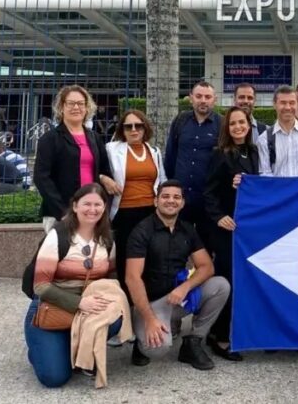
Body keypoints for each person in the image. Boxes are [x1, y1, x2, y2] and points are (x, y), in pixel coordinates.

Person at [24, 183, 128, 388]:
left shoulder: (107, 239)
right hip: (51, 307)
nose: (92, 209)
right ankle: (40, 350)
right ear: (75, 206)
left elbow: (111, 275)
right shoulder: (58, 236)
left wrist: (111, 299)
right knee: (54, 378)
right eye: (86, 204)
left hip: (87, 309)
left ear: (104, 208)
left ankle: (76, 347)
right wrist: (80, 302)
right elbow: (41, 287)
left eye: (98, 204)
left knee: (115, 319)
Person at [125, 180, 231, 371]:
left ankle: (193, 343)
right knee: (157, 349)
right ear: (155, 201)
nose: (171, 201)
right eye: (165, 196)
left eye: (176, 197)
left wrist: (185, 287)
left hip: (178, 298)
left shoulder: (188, 229)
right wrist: (149, 320)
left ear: (182, 203)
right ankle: (141, 343)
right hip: (150, 304)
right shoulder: (141, 231)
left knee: (221, 285)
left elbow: (207, 267)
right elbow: (132, 278)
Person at [204, 106, 260, 362]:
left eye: (242, 122)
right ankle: (219, 335)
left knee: (247, 282)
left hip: (249, 230)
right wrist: (218, 217)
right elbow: (209, 192)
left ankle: (240, 331)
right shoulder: (220, 154)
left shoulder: (255, 152)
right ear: (227, 128)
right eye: (233, 123)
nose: (238, 127)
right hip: (227, 229)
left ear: (249, 125)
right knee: (228, 281)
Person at [33, 85, 116, 233]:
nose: (76, 107)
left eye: (80, 103)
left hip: (91, 211)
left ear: (87, 107)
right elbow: (41, 177)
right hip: (61, 212)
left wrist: (103, 179)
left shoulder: (94, 137)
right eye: (70, 103)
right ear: (62, 107)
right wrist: (63, 211)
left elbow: (103, 169)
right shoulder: (50, 139)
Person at [106, 109, 167, 299]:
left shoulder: (154, 151)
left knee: (151, 258)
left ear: (144, 128)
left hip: (150, 212)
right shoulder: (112, 149)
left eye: (138, 125)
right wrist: (103, 178)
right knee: (126, 259)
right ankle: (128, 303)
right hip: (124, 213)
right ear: (122, 130)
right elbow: (98, 169)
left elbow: (162, 179)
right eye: (128, 126)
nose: (134, 130)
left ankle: (149, 301)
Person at [164, 80, 222, 250]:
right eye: (199, 96)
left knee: (206, 246)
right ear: (191, 98)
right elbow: (170, 155)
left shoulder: (222, 124)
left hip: (208, 199)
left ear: (214, 100)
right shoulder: (181, 120)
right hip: (181, 199)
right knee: (177, 244)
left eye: (207, 97)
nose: (203, 100)